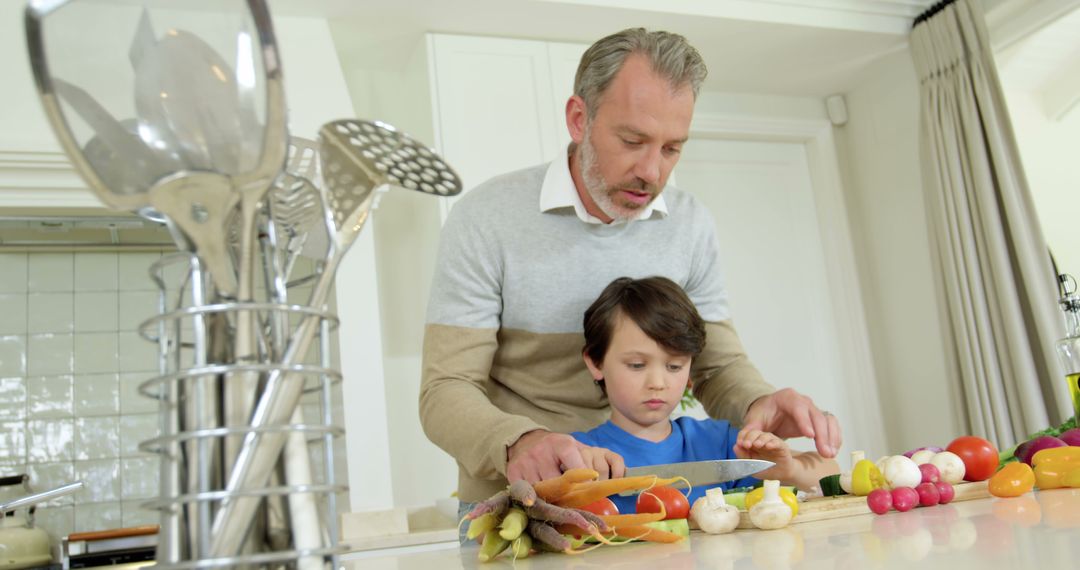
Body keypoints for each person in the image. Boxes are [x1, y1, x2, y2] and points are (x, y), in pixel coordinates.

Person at [419, 27, 842, 507]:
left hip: (648, 499)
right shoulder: (486, 218)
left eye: (671, 148)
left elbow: (717, 364)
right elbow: (445, 390)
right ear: (579, 119)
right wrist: (521, 441)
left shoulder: (690, 224)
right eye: (633, 140)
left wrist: (757, 404)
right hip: (522, 503)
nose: (652, 172)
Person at [571, 276, 839, 512]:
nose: (657, 382)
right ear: (596, 362)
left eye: (674, 366)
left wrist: (790, 470)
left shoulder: (720, 443)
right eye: (637, 365)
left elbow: (831, 473)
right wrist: (571, 482)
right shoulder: (579, 454)